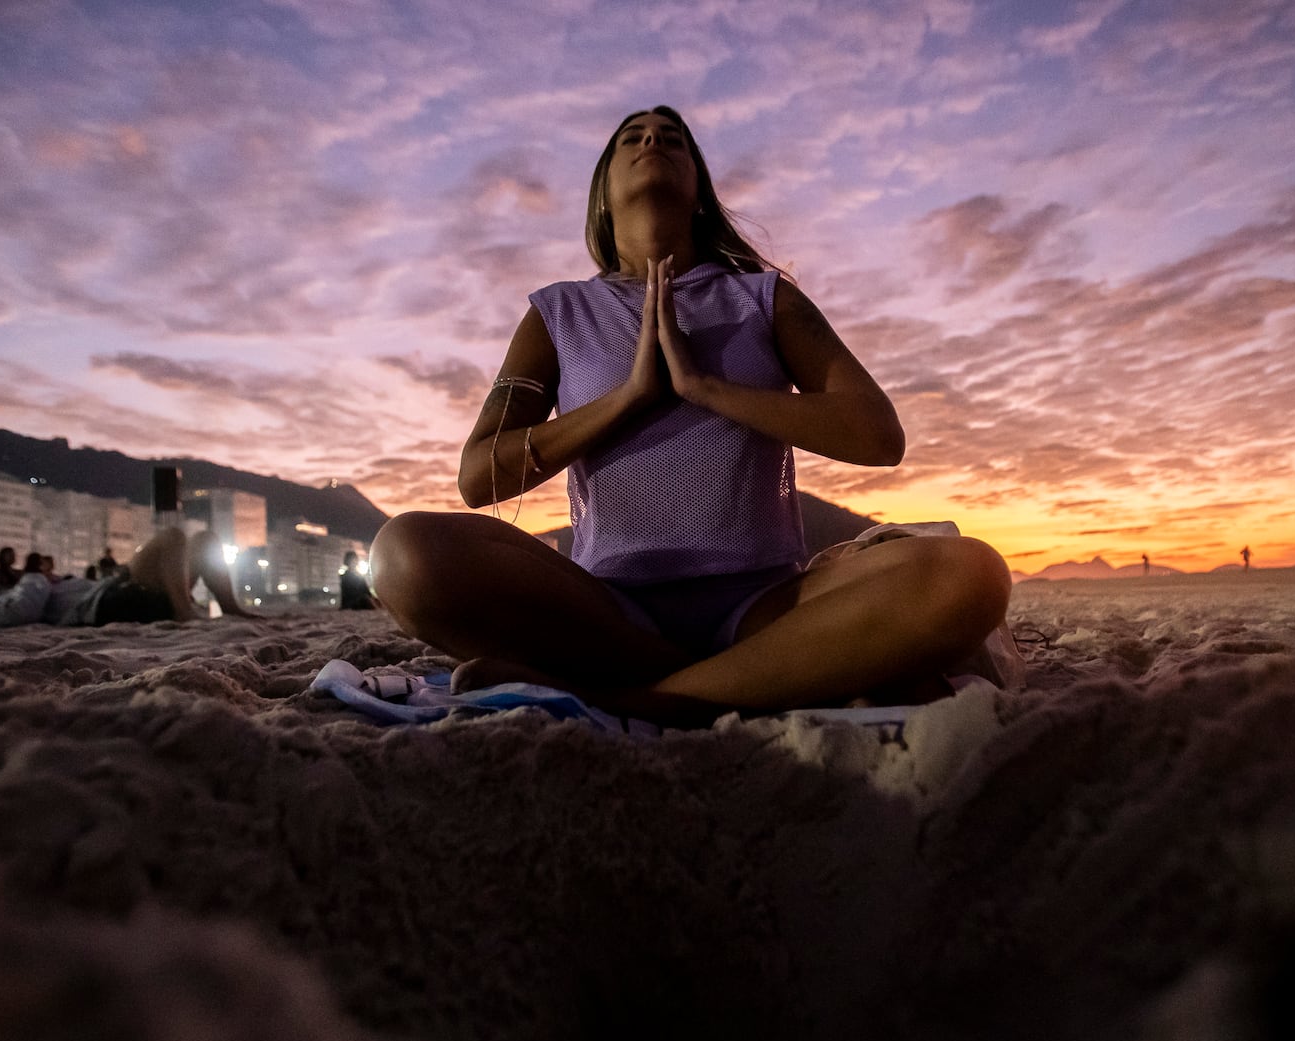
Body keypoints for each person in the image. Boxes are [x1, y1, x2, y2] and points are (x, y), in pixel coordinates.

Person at [370, 106, 1011, 727]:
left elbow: (878, 435)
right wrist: (628, 399)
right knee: (405, 555)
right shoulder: (557, 314)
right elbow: (479, 478)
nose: (653, 140)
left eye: (672, 138)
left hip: (767, 603)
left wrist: (705, 388)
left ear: (699, 190)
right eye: (633, 137)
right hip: (611, 611)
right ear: (602, 196)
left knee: (971, 574)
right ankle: (746, 678)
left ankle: (646, 699)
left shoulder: (765, 297)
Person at [0, 527, 252, 631]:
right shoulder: (27, 584)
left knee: (204, 539)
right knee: (172, 536)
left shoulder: (51, 582)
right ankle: (184, 613)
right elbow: (6, 614)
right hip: (108, 602)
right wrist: (36, 579)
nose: (47, 567)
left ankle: (230, 608)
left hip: (127, 596)